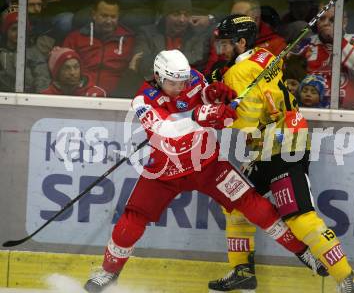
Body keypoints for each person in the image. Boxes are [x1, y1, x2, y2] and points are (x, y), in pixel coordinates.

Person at [83, 49, 321, 293]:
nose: (180, 87)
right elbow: (167, 129)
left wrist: (214, 95)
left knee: (251, 202)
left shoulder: (194, 78)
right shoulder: (143, 100)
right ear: (158, 76)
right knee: (134, 217)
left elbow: (206, 99)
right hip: (165, 171)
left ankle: (303, 252)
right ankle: (109, 272)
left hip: (209, 164)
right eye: (173, 83)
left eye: (183, 81)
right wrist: (202, 115)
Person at [208, 14, 354, 293]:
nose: (220, 50)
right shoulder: (264, 55)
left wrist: (220, 109)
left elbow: (245, 122)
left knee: (300, 216)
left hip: (282, 148)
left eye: (226, 44)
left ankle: (349, 281)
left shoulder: (237, 74)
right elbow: (261, 82)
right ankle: (242, 271)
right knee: (235, 204)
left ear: (242, 42)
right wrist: (225, 81)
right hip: (275, 144)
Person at [115, 0, 212, 98]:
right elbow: (142, 63)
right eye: (176, 14)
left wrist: (159, 63)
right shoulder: (146, 33)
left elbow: (198, 62)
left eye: (186, 14)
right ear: (165, 15)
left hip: (185, 97)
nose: (182, 19)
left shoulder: (197, 36)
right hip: (151, 95)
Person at [292, 4, 354, 109]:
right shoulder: (307, 44)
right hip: (312, 111)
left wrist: (338, 40)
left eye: (332, 19)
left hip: (349, 113)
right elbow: (289, 71)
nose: (326, 23)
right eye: (322, 18)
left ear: (344, 23)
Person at [63, 0, 135, 95]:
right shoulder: (75, 38)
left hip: (116, 99)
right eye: (104, 16)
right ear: (93, 14)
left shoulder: (129, 40)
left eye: (113, 17)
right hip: (80, 96)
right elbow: (63, 70)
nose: (109, 21)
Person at [204, 0, 287, 77]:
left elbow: (278, 77)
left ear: (256, 19)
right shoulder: (223, 38)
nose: (233, 22)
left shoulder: (276, 44)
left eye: (240, 18)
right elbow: (209, 72)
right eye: (232, 16)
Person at [41, 46, 107, 96]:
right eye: (66, 68)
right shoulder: (45, 95)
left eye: (76, 67)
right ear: (56, 72)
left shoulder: (96, 94)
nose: (72, 72)